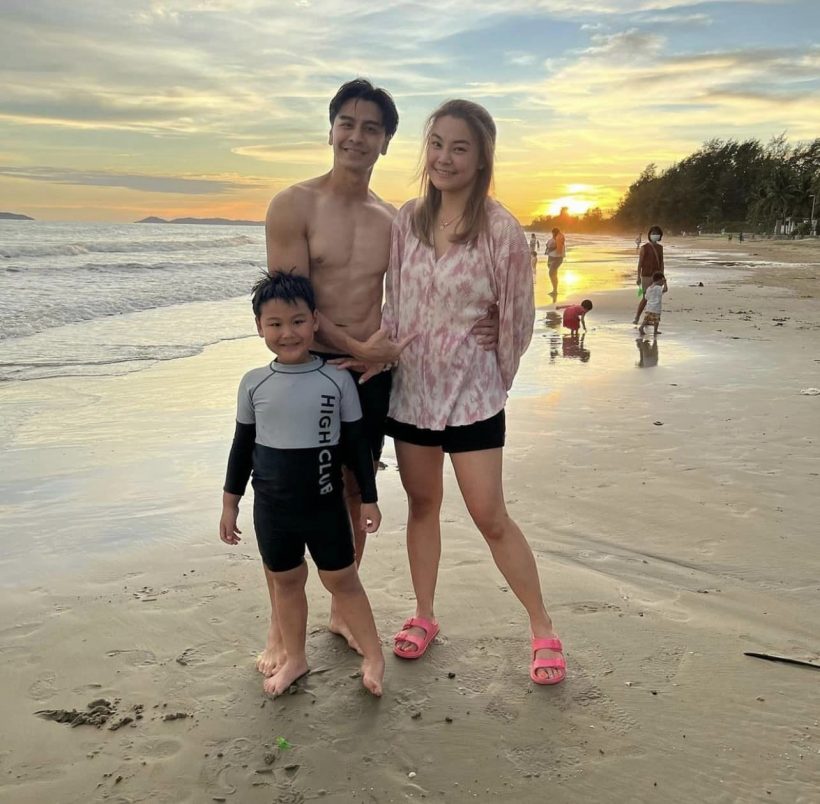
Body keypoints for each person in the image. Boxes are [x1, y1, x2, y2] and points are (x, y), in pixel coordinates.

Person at [260, 79, 498, 675]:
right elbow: (289, 308)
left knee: (352, 488)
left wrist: (490, 317)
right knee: (288, 496)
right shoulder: (293, 205)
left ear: (387, 141)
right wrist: (356, 346)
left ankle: (343, 609)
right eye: (347, 123)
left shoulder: (392, 220)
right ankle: (279, 631)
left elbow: (432, 287)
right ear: (330, 129)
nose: (356, 137)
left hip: (369, 379)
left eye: (371, 128)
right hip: (307, 372)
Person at [382, 99, 566, 686]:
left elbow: (519, 315)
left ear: (482, 157)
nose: (444, 157)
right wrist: (377, 357)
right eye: (436, 144)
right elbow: (394, 304)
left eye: (459, 147)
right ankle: (424, 614)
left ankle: (542, 627)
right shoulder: (406, 221)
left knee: (490, 515)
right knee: (422, 505)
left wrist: (496, 367)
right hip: (413, 393)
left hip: (474, 395)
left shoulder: (501, 229)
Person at [219, 272, 385, 697]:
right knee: (287, 582)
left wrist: (369, 499)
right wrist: (230, 503)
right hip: (272, 509)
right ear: (259, 327)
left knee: (343, 581)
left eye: (297, 321)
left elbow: (356, 444)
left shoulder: (336, 380)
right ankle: (295, 657)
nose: (287, 333)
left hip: (325, 506)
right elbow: (241, 447)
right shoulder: (254, 383)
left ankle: (374, 656)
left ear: (314, 321)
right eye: (274, 324)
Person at [633, 224, 664, 325]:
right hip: (646, 275)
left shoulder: (660, 248)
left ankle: (648, 319)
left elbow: (661, 262)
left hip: (657, 276)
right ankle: (637, 317)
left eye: (657, 233)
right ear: (650, 234)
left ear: (660, 235)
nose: (655, 235)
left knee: (654, 298)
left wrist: (663, 277)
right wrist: (638, 277)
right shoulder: (644, 248)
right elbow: (640, 263)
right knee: (645, 298)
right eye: (653, 233)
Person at [638, 271, 668, 337]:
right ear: (660, 280)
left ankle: (641, 327)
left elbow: (646, 297)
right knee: (656, 320)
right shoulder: (658, 288)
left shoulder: (649, 288)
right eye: (662, 282)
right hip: (656, 308)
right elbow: (665, 289)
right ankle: (655, 330)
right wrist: (665, 283)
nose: (662, 283)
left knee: (646, 319)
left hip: (649, 307)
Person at [545, 227, 565, 296]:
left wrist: (551, 247)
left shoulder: (559, 238)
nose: (553, 234)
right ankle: (554, 290)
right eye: (553, 233)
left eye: (554, 233)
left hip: (557, 258)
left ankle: (555, 290)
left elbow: (558, 247)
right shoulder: (553, 239)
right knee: (554, 274)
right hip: (551, 257)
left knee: (551, 273)